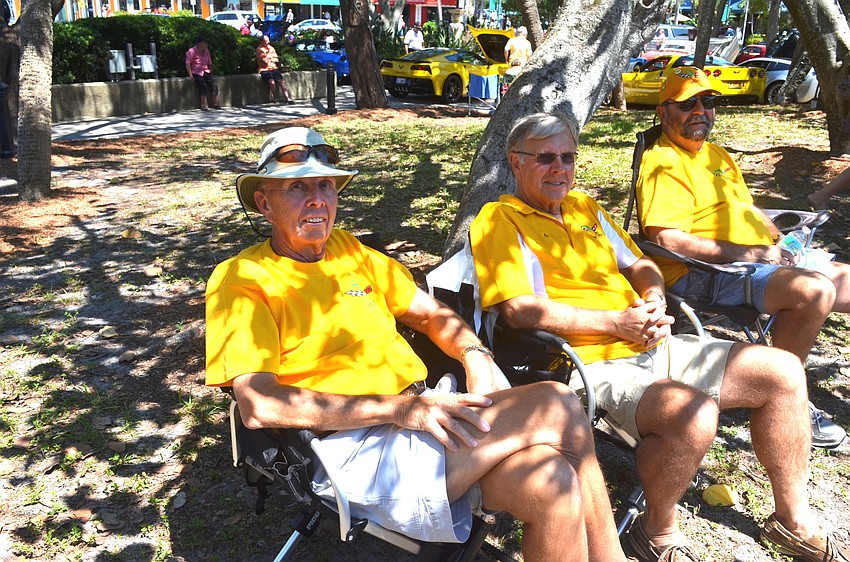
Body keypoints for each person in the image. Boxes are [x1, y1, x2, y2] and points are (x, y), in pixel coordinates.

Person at [205, 126, 637, 562]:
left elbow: (430, 314)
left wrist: (475, 355)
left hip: (423, 414)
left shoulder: (349, 252)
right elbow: (259, 403)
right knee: (558, 403)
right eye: (297, 187)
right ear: (264, 203)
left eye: (326, 185)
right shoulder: (242, 280)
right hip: (352, 445)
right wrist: (399, 409)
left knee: (552, 483)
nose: (317, 199)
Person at [469, 112, 850, 562]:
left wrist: (653, 298)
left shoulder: (584, 208)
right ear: (516, 162)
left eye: (567, 157)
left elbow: (641, 263)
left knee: (783, 371)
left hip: (652, 339)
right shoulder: (499, 219)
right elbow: (519, 310)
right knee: (693, 415)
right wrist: (615, 323)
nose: (559, 168)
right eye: (545, 158)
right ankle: (656, 531)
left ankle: (792, 520)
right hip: (587, 362)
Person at [635, 67, 848, 448]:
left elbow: (745, 209)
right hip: (704, 272)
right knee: (812, 292)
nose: (700, 110)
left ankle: (781, 385)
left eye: (708, 101)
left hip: (763, 260)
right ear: (663, 112)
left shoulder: (717, 155)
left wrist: (784, 238)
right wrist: (755, 253)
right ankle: (785, 396)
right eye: (687, 103)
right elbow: (667, 238)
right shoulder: (663, 163)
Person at [185, 36, 221, 111]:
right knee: (202, 85)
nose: (206, 45)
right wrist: (190, 75)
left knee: (214, 84)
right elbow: (187, 63)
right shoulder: (192, 51)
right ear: (200, 43)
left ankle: (214, 103)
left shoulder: (206, 51)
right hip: (196, 72)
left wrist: (211, 72)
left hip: (206, 71)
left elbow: (209, 62)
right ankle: (203, 104)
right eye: (205, 43)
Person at [256, 34, 292, 104]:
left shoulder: (271, 48)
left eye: (268, 40)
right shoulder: (259, 50)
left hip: (274, 68)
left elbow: (276, 59)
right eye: (266, 41)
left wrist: (269, 58)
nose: (268, 42)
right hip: (265, 69)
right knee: (272, 82)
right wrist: (270, 58)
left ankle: (287, 98)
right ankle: (275, 98)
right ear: (262, 42)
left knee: (282, 82)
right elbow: (265, 61)